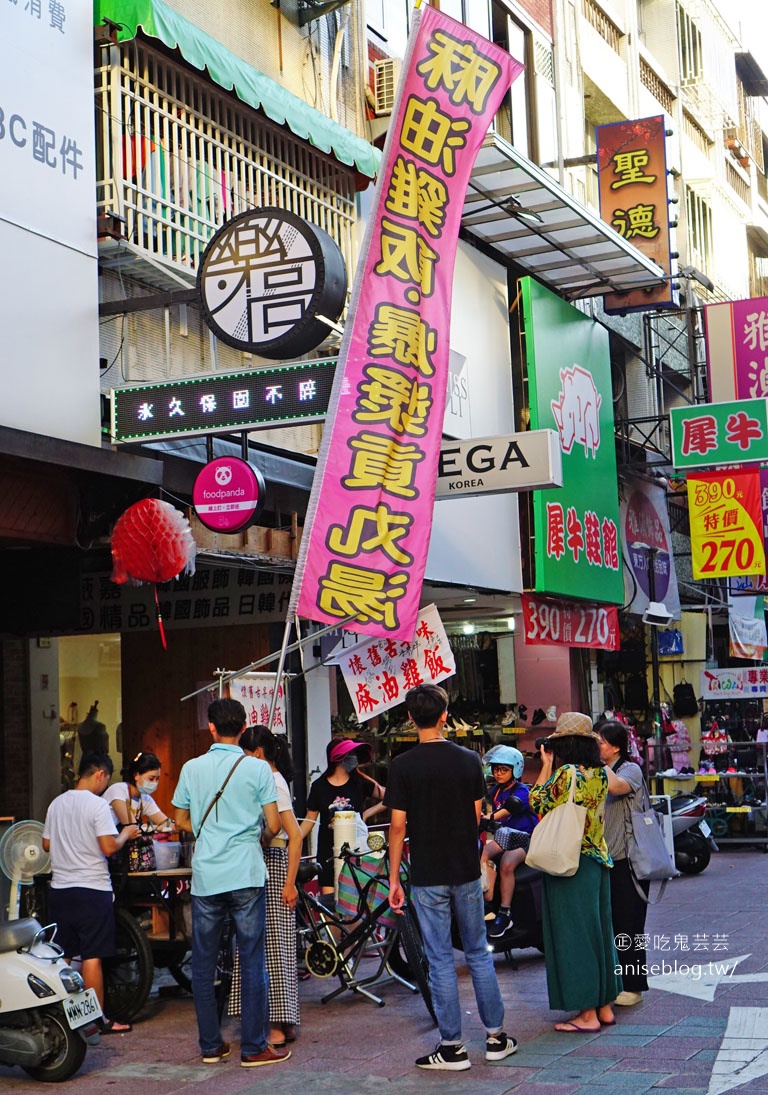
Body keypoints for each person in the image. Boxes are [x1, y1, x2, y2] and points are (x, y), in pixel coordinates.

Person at [386, 683, 518, 1071]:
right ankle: (496, 1038)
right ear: (445, 716)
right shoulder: (468, 760)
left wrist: (395, 878)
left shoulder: (402, 765)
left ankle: (452, 1047)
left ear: (411, 718)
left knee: (441, 959)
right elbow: (477, 817)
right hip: (465, 869)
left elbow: (397, 828)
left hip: (427, 873)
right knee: (478, 953)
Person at [172, 698, 288, 1068]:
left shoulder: (192, 768)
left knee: (204, 965)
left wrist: (209, 833)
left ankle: (211, 1045)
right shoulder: (256, 769)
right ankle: (254, 1047)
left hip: (207, 876)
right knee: (252, 960)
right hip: (246, 874)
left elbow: (180, 819)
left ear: (211, 727)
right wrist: (253, 834)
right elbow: (273, 823)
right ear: (243, 727)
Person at [529, 711, 621, 1033]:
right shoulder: (601, 773)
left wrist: (544, 765)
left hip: (570, 864)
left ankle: (586, 1015)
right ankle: (604, 1006)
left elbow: (536, 801)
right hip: (598, 861)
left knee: (575, 937)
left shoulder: (566, 773)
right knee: (599, 934)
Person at [41, 752, 140, 1034]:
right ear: (100, 774)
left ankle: (56, 1015)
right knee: (93, 955)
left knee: (64, 956)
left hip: (60, 889)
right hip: (92, 889)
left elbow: (46, 844)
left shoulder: (56, 804)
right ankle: (95, 1021)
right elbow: (109, 847)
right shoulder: (97, 806)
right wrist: (126, 834)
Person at [228, 724, 302, 1048]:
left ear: (256, 753)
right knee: (277, 948)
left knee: (268, 948)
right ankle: (282, 1023)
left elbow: (294, 834)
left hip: (273, 865)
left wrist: (290, 883)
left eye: (245, 754)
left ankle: (273, 1025)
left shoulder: (270, 781)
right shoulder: (274, 779)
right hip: (273, 865)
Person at [598, 719, 650, 1008]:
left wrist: (598, 763)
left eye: (600, 742)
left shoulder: (630, 769)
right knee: (615, 924)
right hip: (608, 859)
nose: (597, 746)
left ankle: (634, 985)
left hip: (630, 860)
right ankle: (620, 981)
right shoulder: (599, 770)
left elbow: (616, 787)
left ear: (616, 746)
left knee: (630, 925)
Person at [299, 739, 385, 905]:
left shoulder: (360, 782)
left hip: (356, 848)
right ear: (337, 758)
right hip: (327, 851)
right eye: (349, 754)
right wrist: (293, 842)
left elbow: (389, 796)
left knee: (354, 901)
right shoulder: (319, 787)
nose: (353, 758)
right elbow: (309, 821)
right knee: (330, 902)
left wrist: (367, 813)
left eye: (354, 754)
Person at [479, 744, 537, 938]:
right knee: (483, 852)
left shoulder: (522, 790)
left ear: (516, 769)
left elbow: (509, 809)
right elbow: (489, 812)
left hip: (525, 838)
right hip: (506, 836)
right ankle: (486, 903)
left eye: (503, 769)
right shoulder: (495, 791)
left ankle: (505, 912)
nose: (498, 773)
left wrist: (490, 818)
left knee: (506, 863)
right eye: (496, 769)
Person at [103, 751, 170, 830]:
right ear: (136, 775)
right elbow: (132, 827)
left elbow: (168, 824)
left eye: (157, 779)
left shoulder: (145, 798)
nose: (155, 783)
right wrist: (159, 828)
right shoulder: (118, 791)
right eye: (151, 779)